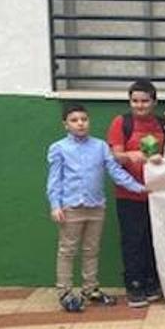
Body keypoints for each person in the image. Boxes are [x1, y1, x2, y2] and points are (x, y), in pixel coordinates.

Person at [48, 104, 146, 311]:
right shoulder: (59, 148)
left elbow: (115, 171)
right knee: (67, 250)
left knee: (91, 250)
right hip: (71, 207)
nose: (80, 123)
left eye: (84, 119)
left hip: (95, 206)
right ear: (65, 124)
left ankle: (90, 288)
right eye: (74, 120)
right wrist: (55, 205)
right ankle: (64, 292)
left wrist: (139, 188)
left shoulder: (100, 146)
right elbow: (55, 180)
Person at [106, 79, 165, 308]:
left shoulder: (162, 124)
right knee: (133, 241)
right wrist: (132, 155)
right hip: (129, 194)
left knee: (154, 239)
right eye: (135, 101)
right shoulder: (121, 123)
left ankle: (152, 283)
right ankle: (134, 285)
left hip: (157, 194)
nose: (140, 106)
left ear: (154, 102)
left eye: (144, 101)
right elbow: (114, 157)